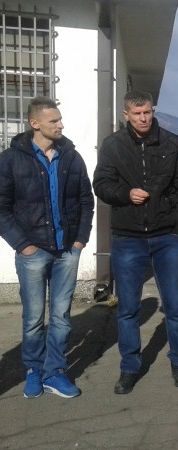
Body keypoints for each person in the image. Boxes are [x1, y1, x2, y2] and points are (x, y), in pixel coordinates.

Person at [93, 90, 178, 394]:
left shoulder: (174, 144)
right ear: (126, 115)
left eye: (148, 112)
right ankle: (129, 367)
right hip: (128, 237)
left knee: (175, 305)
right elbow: (101, 184)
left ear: (153, 111)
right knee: (128, 308)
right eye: (137, 113)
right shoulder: (113, 145)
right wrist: (125, 194)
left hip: (166, 236)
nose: (143, 118)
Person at [0, 96, 94, 399]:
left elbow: (86, 200)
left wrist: (79, 240)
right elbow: (1, 207)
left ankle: (55, 371)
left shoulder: (71, 157)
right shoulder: (10, 160)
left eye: (60, 119)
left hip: (67, 250)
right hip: (33, 252)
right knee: (33, 318)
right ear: (35, 123)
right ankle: (34, 370)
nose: (61, 125)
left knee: (61, 317)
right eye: (54, 120)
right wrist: (23, 245)